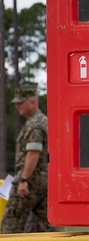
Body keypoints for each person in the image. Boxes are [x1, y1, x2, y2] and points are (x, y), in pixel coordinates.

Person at [2, 86, 52, 233]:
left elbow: (33, 154)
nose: (17, 106)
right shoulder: (44, 121)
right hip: (45, 181)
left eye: (21, 102)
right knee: (51, 225)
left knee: (11, 223)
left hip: (30, 183)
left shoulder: (33, 125)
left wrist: (24, 179)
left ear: (32, 102)